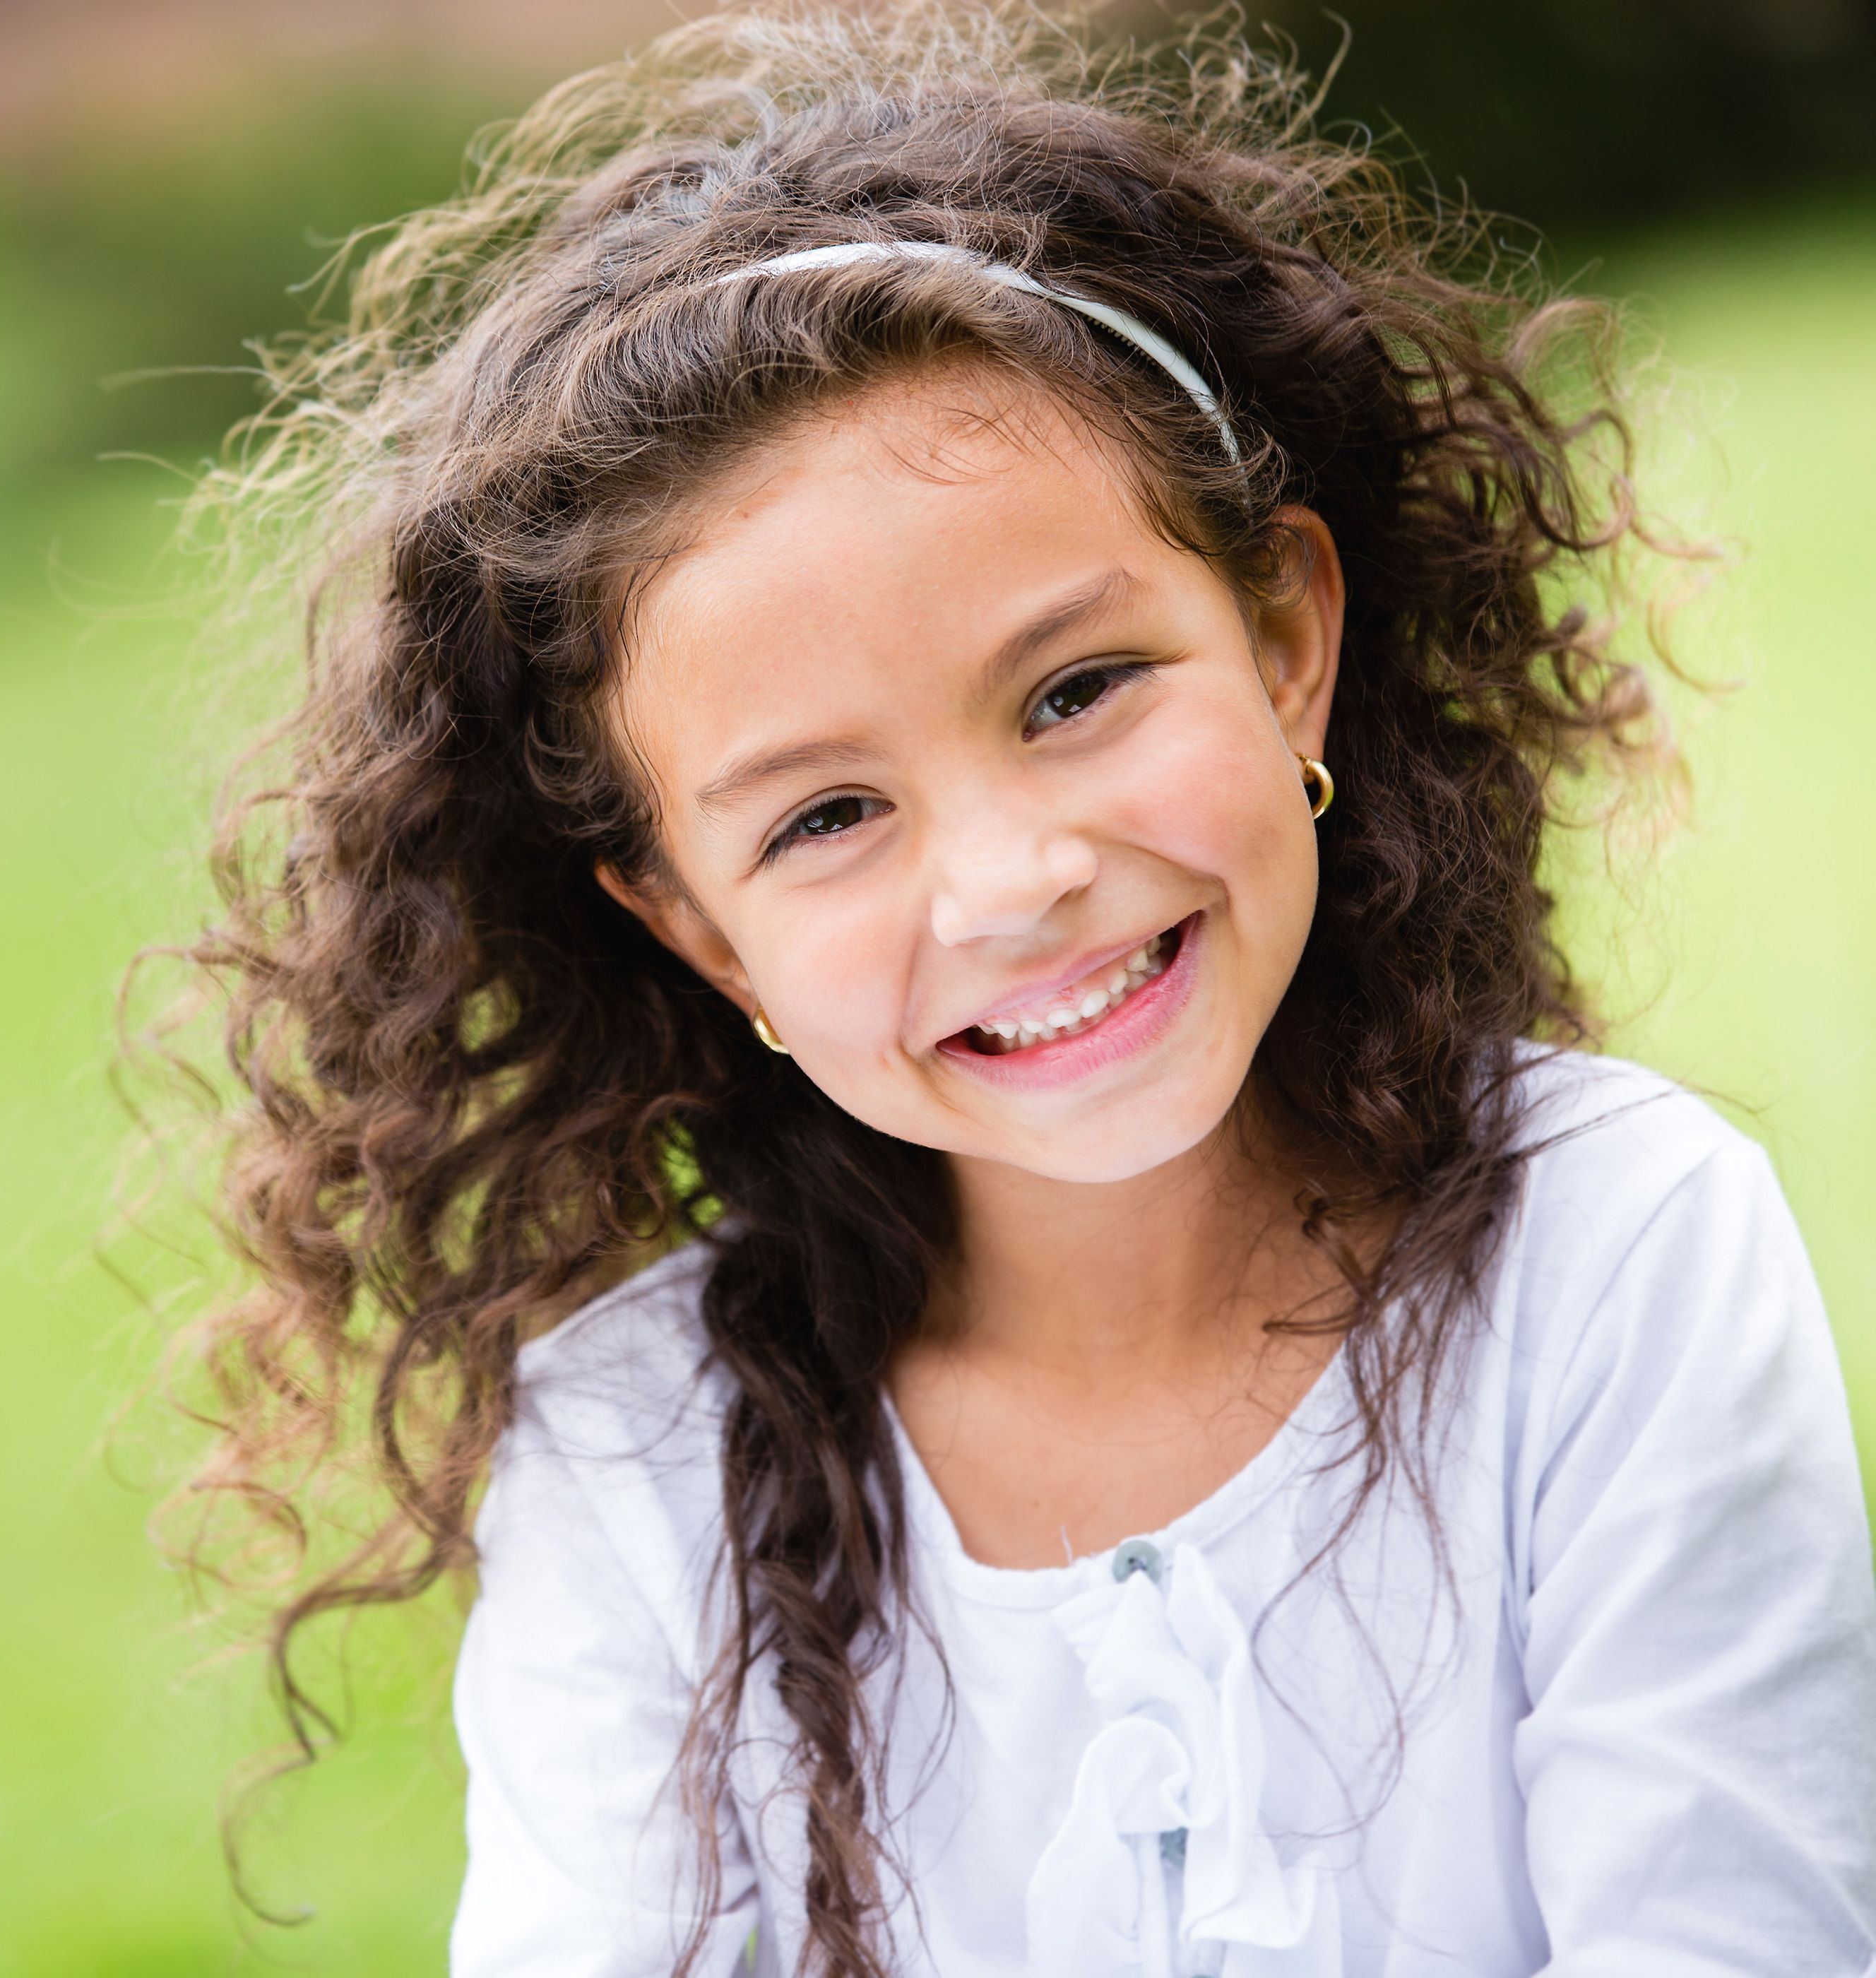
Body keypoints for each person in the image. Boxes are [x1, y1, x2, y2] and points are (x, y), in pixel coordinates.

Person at [149, 6, 1876, 1973]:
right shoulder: (636, 1452)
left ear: (1288, 639)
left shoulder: (1613, 1249)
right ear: (700, 930)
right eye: (824, 819)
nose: (1011, 881)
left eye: (1078, 692)